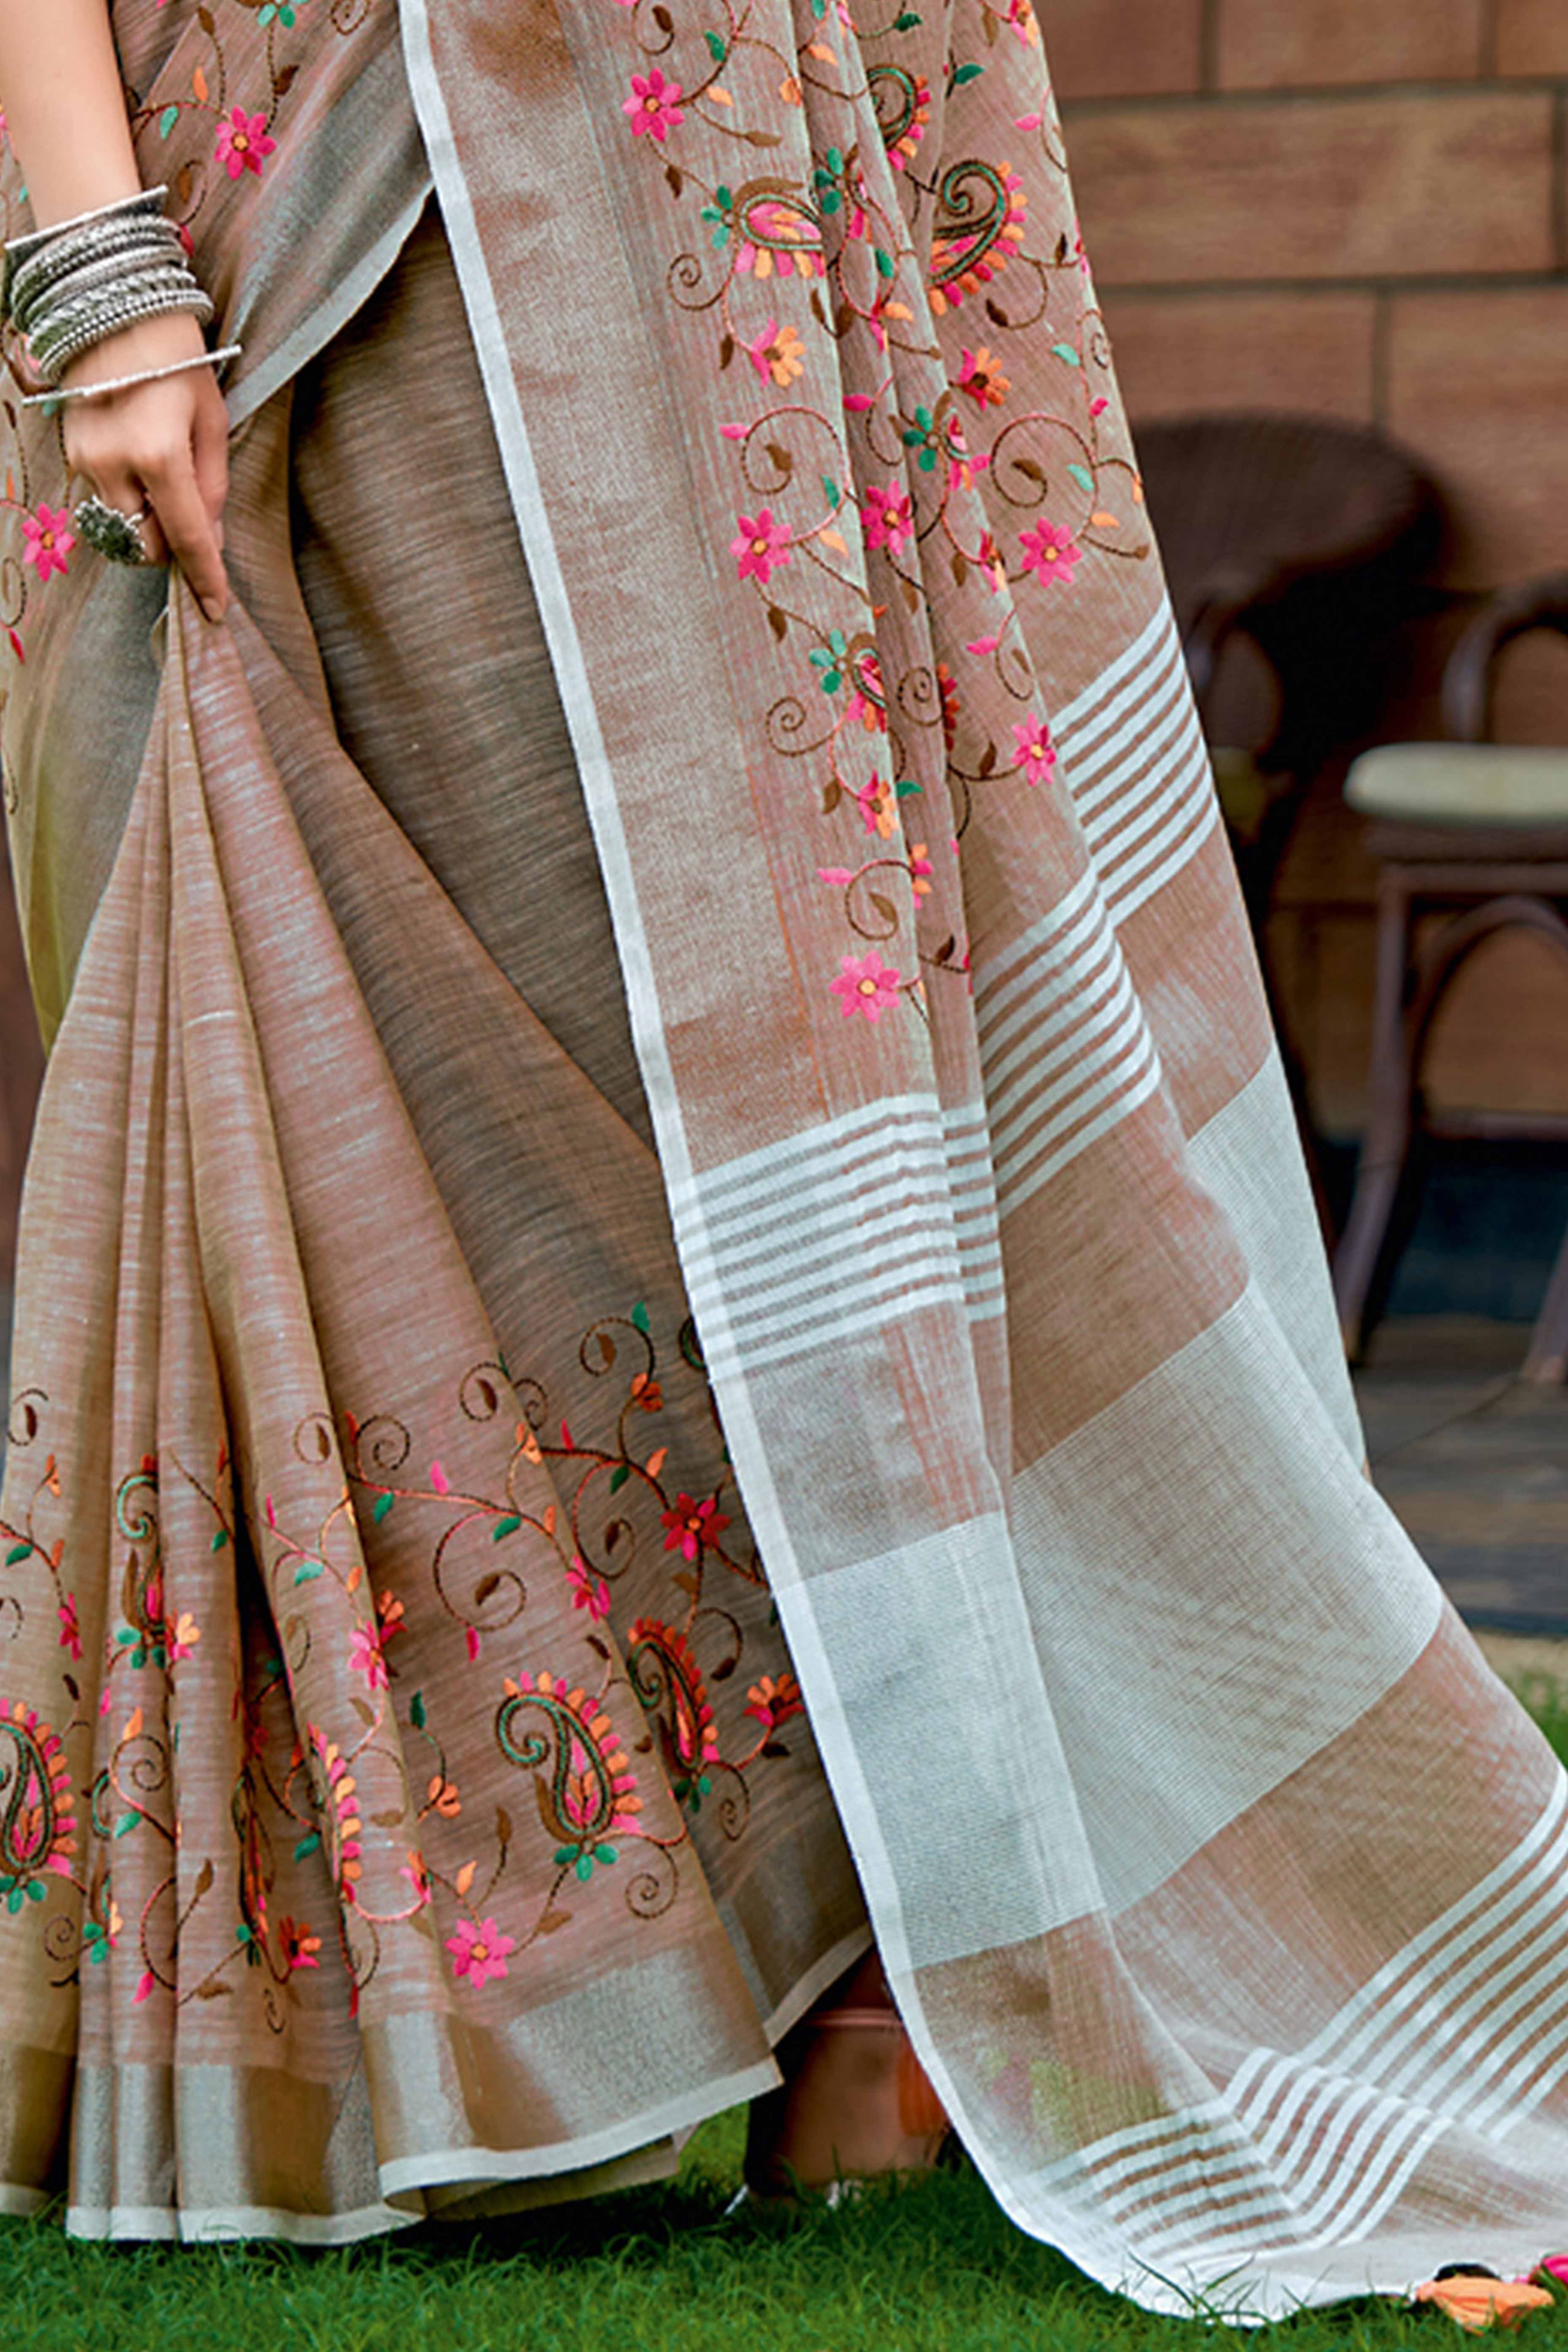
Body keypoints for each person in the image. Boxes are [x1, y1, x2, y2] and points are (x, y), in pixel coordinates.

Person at [1, 0, 1566, 2314]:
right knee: (388, 1060)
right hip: (303, 216)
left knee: (798, 1131)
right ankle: (470, 2010)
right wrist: (98, 265)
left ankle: (858, 1996)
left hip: (719, 243)